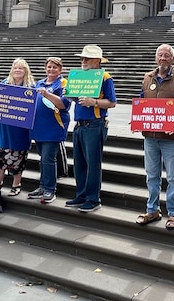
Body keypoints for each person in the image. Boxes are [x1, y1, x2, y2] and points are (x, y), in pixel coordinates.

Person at [134, 44, 174, 230]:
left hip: (171, 137)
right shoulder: (147, 78)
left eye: (167, 56)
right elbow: (141, 103)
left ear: (173, 59)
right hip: (150, 137)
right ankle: (152, 209)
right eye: (160, 55)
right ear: (155, 58)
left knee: (173, 177)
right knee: (152, 175)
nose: (163, 58)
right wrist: (137, 120)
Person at [65, 44, 117, 213]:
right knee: (79, 163)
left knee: (93, 164)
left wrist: (93, 102)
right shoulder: (79, 75)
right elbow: (76, 99)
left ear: (97, 61)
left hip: (95, 124)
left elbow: (112, 102)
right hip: (79, 125)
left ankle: (93, 198)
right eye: (82, 58)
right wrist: (71, 94)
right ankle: (81, 194)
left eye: (86, 58)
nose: (83, 61)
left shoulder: (105, 77)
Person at [0, 58, 35, 195]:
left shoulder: (30, 87)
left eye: (21, 68)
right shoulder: (3, 84)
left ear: (26, 71)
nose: (17, 70)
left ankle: (16, 184)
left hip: (20, 129)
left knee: (19, 156)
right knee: (1, 156)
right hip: (3, 126)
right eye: (15, 68)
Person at [27, 56, 71, 204]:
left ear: (60, 69)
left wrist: (46, 94)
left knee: (48, 158)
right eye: (49, 67)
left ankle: (50, 190)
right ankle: (42, 186)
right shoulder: (39, 83)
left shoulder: (64, 83)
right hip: (39, 126)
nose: (51, 69)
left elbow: (64, 104)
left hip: (54, 127)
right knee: (43, 158)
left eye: (55, 67)